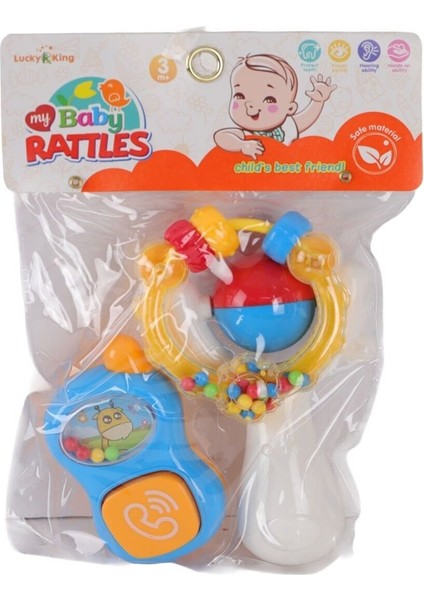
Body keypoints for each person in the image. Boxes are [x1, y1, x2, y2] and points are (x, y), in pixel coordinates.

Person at [214, 54, 336, 159]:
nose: (249, 104)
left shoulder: (288, 126)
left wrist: (318, 101)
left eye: (269, 99)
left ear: (290, 108)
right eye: (240, 96)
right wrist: (241, 145)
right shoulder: (245, 135)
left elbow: (306, 118)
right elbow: (221, 136)